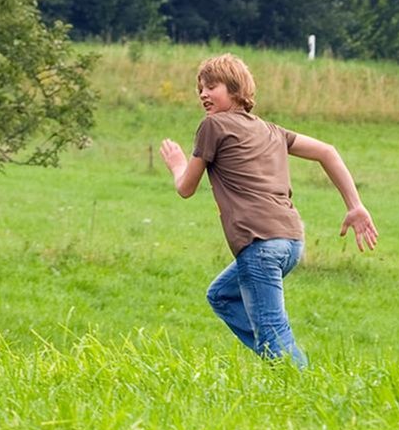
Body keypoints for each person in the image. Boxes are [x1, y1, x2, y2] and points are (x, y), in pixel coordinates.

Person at [160, 53, 378, 368]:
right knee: (221, 295)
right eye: (200, 90)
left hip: (259, 244)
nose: (204, 94)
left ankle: (299, 380)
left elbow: (186, 187)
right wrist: (354, 205)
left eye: (212, 87)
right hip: (290, 242)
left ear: (235, 90)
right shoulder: (272, 130)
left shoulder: (214, 125)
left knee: (275, 332)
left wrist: (177, 164)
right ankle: (276, 355)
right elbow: (327, 152)